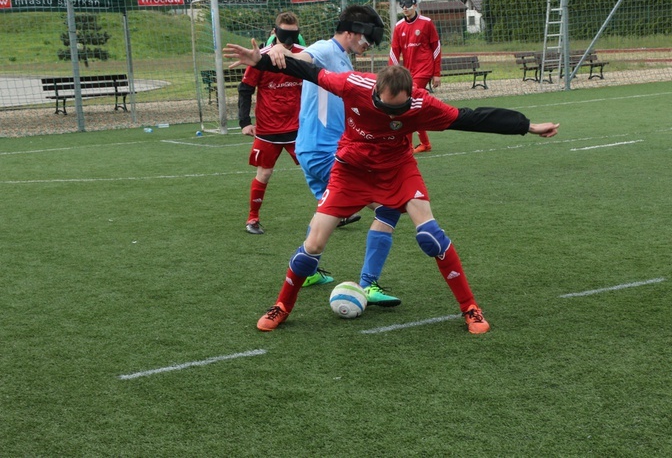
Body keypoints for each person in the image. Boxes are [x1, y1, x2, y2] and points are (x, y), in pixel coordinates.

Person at [223, 40, 560, 335]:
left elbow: (472, 117)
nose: (391, 112)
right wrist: (262, 61)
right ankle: (282, 306)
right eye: (385, 105)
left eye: (397, 107)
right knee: (313, 244)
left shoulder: (421, 103)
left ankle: (470, 307)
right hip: (351, 170)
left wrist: (527, 126)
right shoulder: (352, 84)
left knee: (431, 236)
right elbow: (308, 72)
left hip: (397, 170)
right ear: (375, 90)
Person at [265, 5, 401, 305]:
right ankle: (369, 285)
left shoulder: (342, 60)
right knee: (389, 206)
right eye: (366, 40)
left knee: (326, 213)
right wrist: (278, 52)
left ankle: (309, 271)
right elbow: (301, 58)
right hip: (324, 151)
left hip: (314, 148)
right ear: (352, 32)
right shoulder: (326, 49)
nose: (367, 46)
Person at [238, 12, 305, 236]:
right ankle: (253, 218)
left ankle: (338, 212)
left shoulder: (304, 56)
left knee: (317, 169)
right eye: (285, 33)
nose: (289, 39)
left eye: (293, 34)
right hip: (268, 129)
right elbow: (245, 88)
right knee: (264, 173)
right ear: (274, 32)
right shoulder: (260, 58)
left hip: (299, 128)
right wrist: (245, 122)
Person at [389, 0, 441, 154]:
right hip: (408, 72)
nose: (405, 8)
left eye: (408, 5)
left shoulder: (426, 23)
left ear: (416, 5)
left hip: (424, 70)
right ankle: (424, 143)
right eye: (402, 5)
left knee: (407, 104)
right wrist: (392, 73)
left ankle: (408, 146)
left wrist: (436, 73)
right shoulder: (399, 27)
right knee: (412, 107)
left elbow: (436, 48)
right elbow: (394, 51)